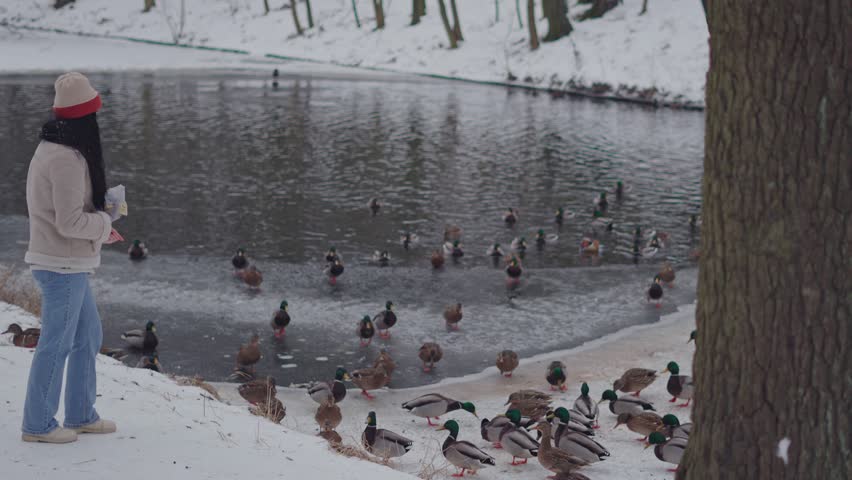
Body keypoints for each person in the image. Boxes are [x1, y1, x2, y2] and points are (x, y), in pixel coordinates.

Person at [22, 72, 123, 443]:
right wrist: (102, 222)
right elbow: (68, 221)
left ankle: (80, 413)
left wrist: (101, 212)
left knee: (87, 336)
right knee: (57, 342)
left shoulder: (59, 148)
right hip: (60, 263)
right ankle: (38, 424)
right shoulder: (64, 158)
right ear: (85, 117)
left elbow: (67, 211)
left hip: (68, 262)